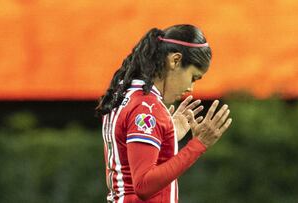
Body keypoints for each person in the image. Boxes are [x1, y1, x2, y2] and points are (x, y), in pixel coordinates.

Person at [96, 24, 232, 203]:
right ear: (175, 60)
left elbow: (128, 164)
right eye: (193, 77)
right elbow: (143, 185)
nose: (190, 88)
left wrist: (167, 137)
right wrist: (198, 144)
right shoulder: (147, 107)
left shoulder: (125, 95)